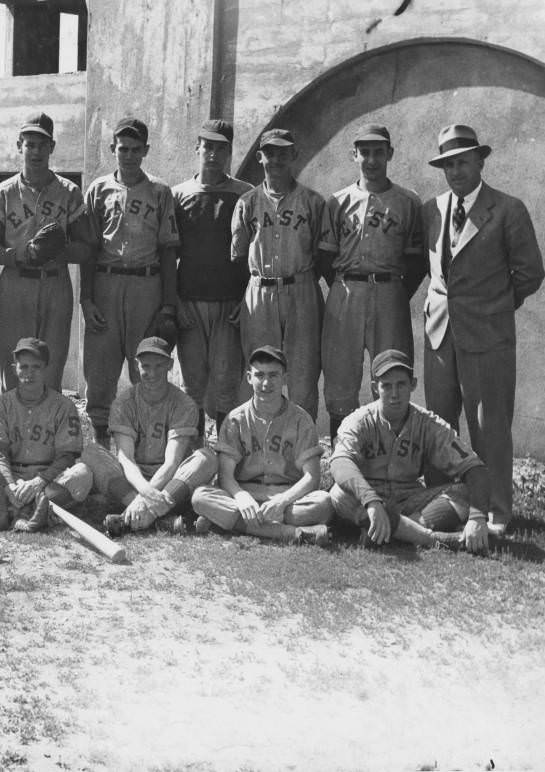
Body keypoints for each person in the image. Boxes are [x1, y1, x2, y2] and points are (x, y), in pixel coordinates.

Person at [421, 124, 543, 533]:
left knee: (489, 424)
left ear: (480, 161)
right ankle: (443, 503)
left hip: (488, 335)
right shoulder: (432, 209)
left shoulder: (508, 209)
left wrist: (493, 306)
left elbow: (530, 272)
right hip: (440, 331)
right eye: (448, 164)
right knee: (439, 423)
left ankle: (496, 511)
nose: (455, 171)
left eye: (462, 162)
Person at [318, 124, 426, 440]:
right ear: (355, 155)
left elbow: (417, 260)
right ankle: (344, 457)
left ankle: (389, 459)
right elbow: (325, 257)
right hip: (346, 289)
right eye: (365, 152)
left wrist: (396, 293)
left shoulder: (407, 201)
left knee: (392, 376)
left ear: (389, 154)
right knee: (340, 378)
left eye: (379, 152)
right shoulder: (337, 201)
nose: (372, 159)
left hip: (389, 290)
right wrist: (344, 285)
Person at [329, 349, 493, 554]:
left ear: (413, 384)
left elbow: (474, 467)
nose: (394, 394)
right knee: (338, 494)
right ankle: (432, 538)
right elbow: (340, 463)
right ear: (375, 388)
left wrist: (478, 518)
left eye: (401, 384)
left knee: (464, 493)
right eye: (386, 386)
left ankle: (390, 531)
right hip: (367, 499)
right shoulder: (359, 420)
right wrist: (371, 499)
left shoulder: (428, 423)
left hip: (409, 500)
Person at [80, 117, 180, 445]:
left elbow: (168, 251)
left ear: (146, 150)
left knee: (146, 367)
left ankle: (146, 448)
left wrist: (167, 305)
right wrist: (87, 298)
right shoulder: (98, 189)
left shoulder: (160, 192)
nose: (129, 155)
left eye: (136, 149)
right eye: (123, 148)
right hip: (107, 282)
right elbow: (89, 249)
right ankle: (100, 448)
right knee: (101, 370)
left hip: (145, 284)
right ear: (113, 149)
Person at [0, 113, 93, 392]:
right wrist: (21, 254)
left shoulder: (69, 192)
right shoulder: (4, 192)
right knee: (14, 370)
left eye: (42, 145)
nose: (35, 151)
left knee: (51, 367)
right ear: (19, 145)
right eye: (30, 144)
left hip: (54, 283)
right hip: (15, 283)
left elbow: (85, 248)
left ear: (52, 147)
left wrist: (59, 250)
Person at [191, 346, 333, 545]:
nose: (266, 383)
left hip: (287, 497)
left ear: (284, 378)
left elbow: (312, 477)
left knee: (323, 504)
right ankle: (294, 534)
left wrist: (282, 501)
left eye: (273, 375)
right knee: (200, 498)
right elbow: (225, 476)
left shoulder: (301, 420)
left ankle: (226, 522)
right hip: (245, 495)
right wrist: (241, 497)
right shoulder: (236, 419)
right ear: (249, 377)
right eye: (259, 375)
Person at [76, 337, 216, 536]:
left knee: (207, 457)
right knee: (91, 452)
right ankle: (159, 517)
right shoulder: (123, 402)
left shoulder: (184, 404)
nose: (152, 373)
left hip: (170, 481)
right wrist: (143, 492)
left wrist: (146, 497)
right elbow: (126, 458)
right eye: (145, 366)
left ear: (170, 364)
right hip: (133, 480)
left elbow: (173, 461)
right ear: (136, 366)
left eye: (159, 366)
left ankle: (139, 516)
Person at [231, 128, 326, 420]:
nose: (276, 159)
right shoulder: (248, 202)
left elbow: (324, 254)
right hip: (259, 290)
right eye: (270, 153)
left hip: (301, 287)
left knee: (303, 374)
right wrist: (240, 298)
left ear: (294, 155)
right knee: (260, 372)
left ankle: (301, 450)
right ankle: (258, 445)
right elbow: (237, 257)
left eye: (282, 152)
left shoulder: (312, 201)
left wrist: (310, 289)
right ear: (260, 157)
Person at [172, 120, 253, 436]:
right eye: (208, 146)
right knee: (192, 385)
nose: (214, 154)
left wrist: (245, 297)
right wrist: (174, 300)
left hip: (229, 305)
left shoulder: (244, 194)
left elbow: (254, 254)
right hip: (190, 303)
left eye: (222, 148)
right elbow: (169, 254)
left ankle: (224, 459)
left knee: (225, 384)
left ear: (230, 152)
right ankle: (193, 458)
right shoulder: (178, 195)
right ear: (197, 148)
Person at [0, 337, 91, 532]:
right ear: (14, 368)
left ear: (46, 368)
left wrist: (38, 482)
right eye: (23, 367)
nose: (29, 374)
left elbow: (67, 456)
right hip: (11, 475)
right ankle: (39, 511)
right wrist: (10, 486)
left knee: (83, 474)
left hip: (48, 479)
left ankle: (16, 511)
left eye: (36, 367)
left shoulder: (64, 406)